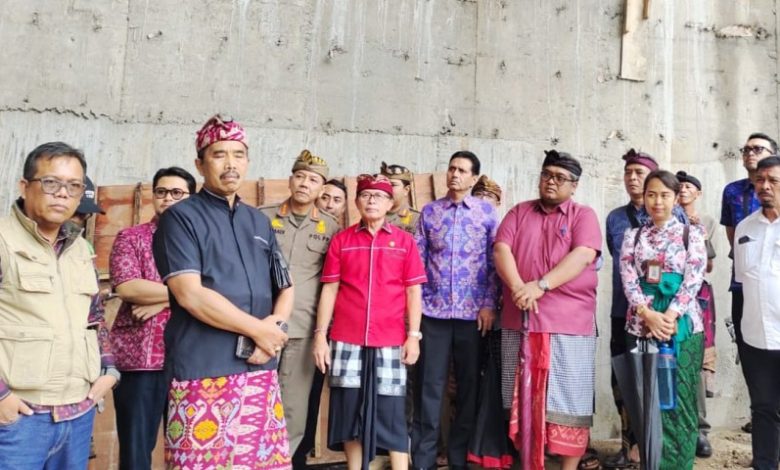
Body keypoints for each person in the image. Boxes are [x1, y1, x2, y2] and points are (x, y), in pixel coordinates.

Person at [152, 115, 293, 469]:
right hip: (204, 370)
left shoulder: (258, 221)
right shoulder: (180, 218)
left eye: (239, 154)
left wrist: (274, 332)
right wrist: (259, 330)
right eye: (219, 154)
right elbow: (190, 294)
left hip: (259, 369)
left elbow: (285, 287)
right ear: (200, 164)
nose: (231, 163)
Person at [0, 142, 119, 468]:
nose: (63, 194)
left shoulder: (79, 248)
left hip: (77, 414)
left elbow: (94, 315)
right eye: (51, 183)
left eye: (73, 186)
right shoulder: (4, 241)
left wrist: (109, 369)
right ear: (24, 186)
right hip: (19, 420)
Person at [494, 150, 601, 470]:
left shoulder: (583, 215)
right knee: (521, 400)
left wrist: (539, 286)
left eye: (559, 177)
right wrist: (519, 287)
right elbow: (501, 249)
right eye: (546, 175)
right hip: (521, 319)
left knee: (569, 400)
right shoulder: (519, 211)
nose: (551, 182)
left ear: (574, 185)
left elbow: (583, 254)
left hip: (568, 324)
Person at [312, 174, 426, 470]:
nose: (372, 200)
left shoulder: (404, 242)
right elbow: (330, 289)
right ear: (357, 201)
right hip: (346, 337)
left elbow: (413, 291)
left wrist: (414, 336)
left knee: (391, 411)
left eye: (379, 196)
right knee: (349, 411)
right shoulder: (342, 240)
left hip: (390, 338)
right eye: (365, 195)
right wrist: (321, 335)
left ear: (390, 203)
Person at [411, 150, 499, 470]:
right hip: (433, 313)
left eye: (462, 170)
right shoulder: (430, 212)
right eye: (451, 169)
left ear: (474, 178)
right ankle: (423, 460)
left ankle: (459, 459)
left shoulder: (487, 214)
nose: (455, 175)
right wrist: (418, 305)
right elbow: (416, 262)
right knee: (428, 388)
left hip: (472, 316)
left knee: (468, 389)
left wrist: (489, 304)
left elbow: (495, 264)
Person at [604, 149, 687, 468]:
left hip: (667, 317)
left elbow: (687, 270)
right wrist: (641, 308)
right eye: (628, 173)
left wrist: (665, 314)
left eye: (639, 173)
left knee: (664, 379)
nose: (632, 178)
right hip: (626, 313)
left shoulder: (677, 219)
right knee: (626, 380)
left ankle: (659, 448)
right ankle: (630, 445)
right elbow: (622, 264)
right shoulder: (615, 218)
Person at [109, 166, 196, 470]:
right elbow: (127, 286)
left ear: (191, 198)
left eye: (177, 193)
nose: (168, 198)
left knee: (191, 450)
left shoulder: (203, 241)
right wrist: (182, 296)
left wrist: (159, 302)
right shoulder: (131, 237)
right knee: (136, 452)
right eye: (161, 192)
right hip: (140, 361)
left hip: (191, 359)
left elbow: (217, 288)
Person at [620, 170, 707, 470]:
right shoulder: (633, 236)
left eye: (665, 195)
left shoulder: (691, 234)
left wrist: (669, 316)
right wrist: (647, 314)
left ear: (676, 199)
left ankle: (679, 464)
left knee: (679, 400)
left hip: (682, 326)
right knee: (648, 399)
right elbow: (628, 279)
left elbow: (694, 278)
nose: (658, 201)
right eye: (652, 195)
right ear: (644, 198)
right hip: (642, 327)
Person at [260, 149, 339, 465]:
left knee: (293, 405)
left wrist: (322, 332)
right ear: (291, 179)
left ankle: (283, 462)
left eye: (313, 180)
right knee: (255, 399)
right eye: (300, 176)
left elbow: (331, 283)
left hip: (303, 328)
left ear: (321, 188)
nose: (305, 183)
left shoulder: (330, 228)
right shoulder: (262, 217)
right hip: (259, 324)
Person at [721, 132, 777, 434]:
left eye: (758, 148)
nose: (750, 153)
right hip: (745, 285)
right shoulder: (732, 191)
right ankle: (762, 412)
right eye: (746, 149)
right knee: (751, 353)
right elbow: (734, 240)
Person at [734, 156, 780, 470]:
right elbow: (744, 281)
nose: (765, 186)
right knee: (763, 408)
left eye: (773, 180)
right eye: (760, 180)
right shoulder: (744, 228)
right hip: (755, 336)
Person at [676, 170, 717, 457]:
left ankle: (700, 429)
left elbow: (709, 266)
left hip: (697, 297)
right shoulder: (664, 218)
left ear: (698, 193)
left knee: (698, 361)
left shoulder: (707, 222)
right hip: (666, 295)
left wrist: (698, 232)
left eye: (689, 186)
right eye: (679, 186)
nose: (683, 190)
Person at [380, 161, 420, 235]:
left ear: (406, 190)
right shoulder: (373, 216)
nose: (387, 188)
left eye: (393, 185)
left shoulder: (417, 219)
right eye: (384, 184)